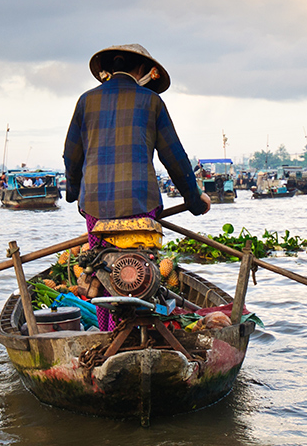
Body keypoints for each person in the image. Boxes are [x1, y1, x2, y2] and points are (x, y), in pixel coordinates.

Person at [64, 44, 210, 328]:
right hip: (142, 205)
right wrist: (195, 201)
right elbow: (175, 159)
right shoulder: (151, 101)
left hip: (95, 208)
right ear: (143, 70)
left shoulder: (86, 101)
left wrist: (73, 193)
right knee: (144, 267)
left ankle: (108, 330)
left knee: (102, 273)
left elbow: (72, 155)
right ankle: (145, 326)